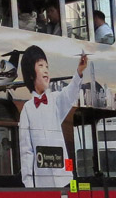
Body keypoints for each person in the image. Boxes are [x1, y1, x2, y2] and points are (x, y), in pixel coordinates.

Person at [18, 45, 87, 187]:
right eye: (40, 65)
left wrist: (79, 72)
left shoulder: (55, 100)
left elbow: (70, 94)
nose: (45, 70)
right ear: (31, 74)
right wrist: (29, 185)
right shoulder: (27, 109)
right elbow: (26, 152)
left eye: (47, 66)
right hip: (43, 184)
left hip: (65, 180)